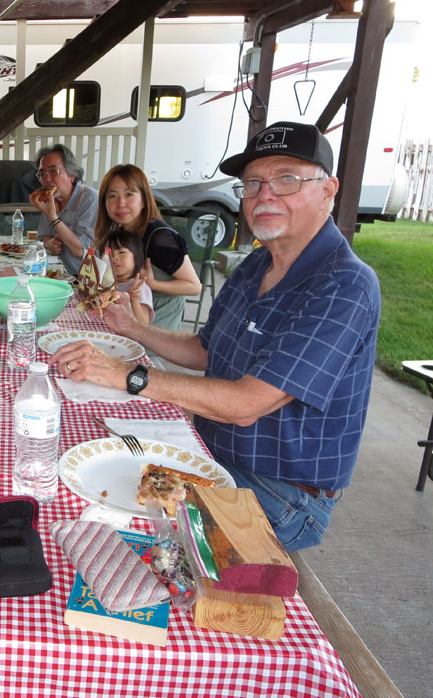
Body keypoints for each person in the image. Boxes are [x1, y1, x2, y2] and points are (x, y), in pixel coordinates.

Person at [52, 121, 381, 552]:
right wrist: (135, 329)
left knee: (100, 523)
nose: (265, 195)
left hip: (278, 493)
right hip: (210, 453)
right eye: (253, 183)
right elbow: (206, 350)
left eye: (286, 179)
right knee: (77, 459)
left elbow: (246, 405)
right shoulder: (254, 265)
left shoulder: (344, 284)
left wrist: (129, 376)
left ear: (328, 189)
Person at [93, 164, 201, 330]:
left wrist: (153, 283)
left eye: (129, 194)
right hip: (127, 315)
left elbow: (194, 286)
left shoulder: (160, 238)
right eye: (112, 196)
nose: (121, 203)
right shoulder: (121, 232)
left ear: (143, 200)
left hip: (159, 319)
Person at [28, 144, 98, 276]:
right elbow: (44, 236)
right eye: (42, 173)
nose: (47, 179)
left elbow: (80, 251)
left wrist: (53, 217)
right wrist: (50, 243)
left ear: (71, 175)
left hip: (84, 280)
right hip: (58, 273)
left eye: (54, 171)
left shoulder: (91, 200)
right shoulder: (51, 199)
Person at [101, 226, 154, 324]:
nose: (114, 257)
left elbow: (144, 324)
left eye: (121, 252)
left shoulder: (139, 287)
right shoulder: (105, 283)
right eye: (109, 253)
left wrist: (134, 300)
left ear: (136, 257)